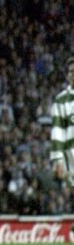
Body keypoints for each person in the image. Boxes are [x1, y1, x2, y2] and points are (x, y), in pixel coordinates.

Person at [50, 57, 74, 189]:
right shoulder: (61, 99)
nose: (73, 74)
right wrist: (58, 160)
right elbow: (57, 132)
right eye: (71, 71)